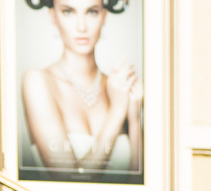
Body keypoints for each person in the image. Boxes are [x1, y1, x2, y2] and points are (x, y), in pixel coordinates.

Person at [20, 0, 141, 179]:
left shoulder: (118, 88)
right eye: (68, 12)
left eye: (92, 12)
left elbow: (139, 183)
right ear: (52, 16)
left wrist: (134, 119)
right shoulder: (37, 81)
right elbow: (71, 179)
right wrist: (117, 111)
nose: (81, 26)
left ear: (104, 16)